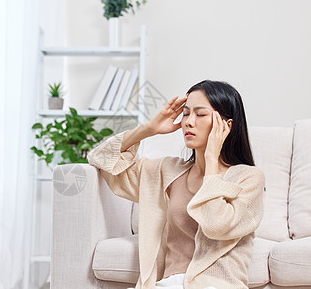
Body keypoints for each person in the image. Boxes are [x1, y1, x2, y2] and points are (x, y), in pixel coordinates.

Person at [87, 80, 265, 289]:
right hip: (170, 284)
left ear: (226, 125)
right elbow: (101, 158)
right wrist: (148, 129)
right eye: (186, 113)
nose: (188, 122)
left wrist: (211, 162)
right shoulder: (169, 171)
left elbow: (216, 225)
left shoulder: (248, 178)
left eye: (200, 114)